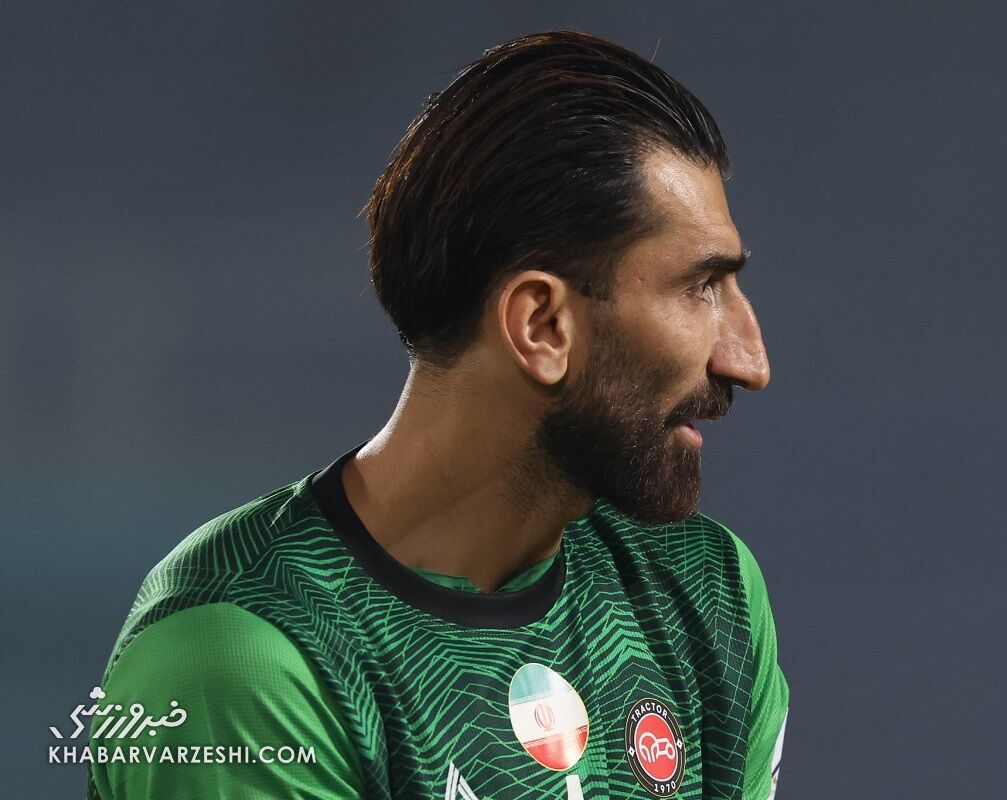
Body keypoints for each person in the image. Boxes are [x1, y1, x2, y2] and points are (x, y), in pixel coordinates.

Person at [88, 29, 788, 800]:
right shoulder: (248, 654)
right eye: (701, 288)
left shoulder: (704, 591)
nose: (749, 361)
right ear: (543, 326)